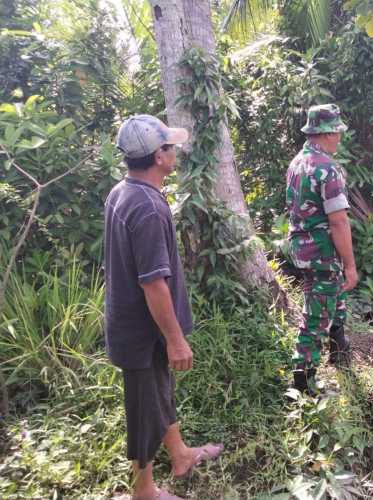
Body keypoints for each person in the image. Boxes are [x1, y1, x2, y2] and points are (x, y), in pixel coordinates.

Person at [105, 115, 223, 500]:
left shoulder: (123, 192)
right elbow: (153, 283)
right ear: (159, 156)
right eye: (170, 146)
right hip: (142, 331)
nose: (175, 151)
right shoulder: (148, 209)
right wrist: (175, 340)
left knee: (160, 393)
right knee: (144, 412)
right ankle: (144, 491)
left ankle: (181, 454)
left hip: (141, 326)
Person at [286, 104, 359, 394]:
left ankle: (340, 353)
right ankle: (303, 384)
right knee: (316, 317)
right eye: (337, 131)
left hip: (302, 249)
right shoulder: (327, 169)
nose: (340, 137)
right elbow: (339, 222)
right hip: (321, 253)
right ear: (325, 133)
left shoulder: (298, 162)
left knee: (331, 300)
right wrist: (350, 265)